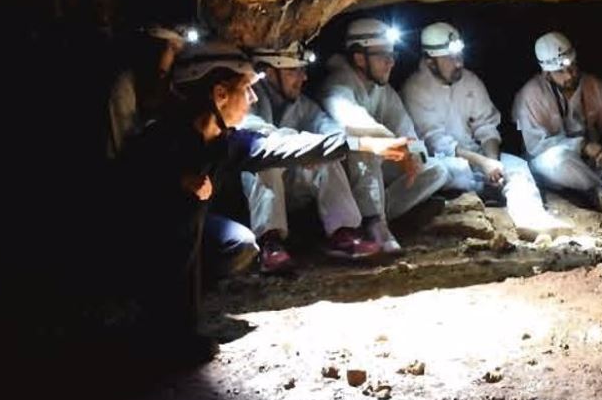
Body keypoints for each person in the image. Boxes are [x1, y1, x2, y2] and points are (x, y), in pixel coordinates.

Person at [116, 41, 408, 363]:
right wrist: (174, 180)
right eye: (246, 89)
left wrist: (362, 143)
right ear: (220, 95)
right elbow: (126, 184)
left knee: (238, 244)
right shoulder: (161, 140)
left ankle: (188, 304)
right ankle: (162, 329)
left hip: (192, 234)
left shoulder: (225, 142)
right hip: (132, 242)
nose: (253, 98)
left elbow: (283, 145)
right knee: (180, 211)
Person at [401, 21, 569, 239]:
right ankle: (477, 195)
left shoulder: (469, 81)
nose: (459, 63)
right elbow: (435, 141)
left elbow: (486, 125)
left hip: (476, 157)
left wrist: (492, 161)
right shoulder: (415, 88)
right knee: (450, 170)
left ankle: (531, 218)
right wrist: (483, 164)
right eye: (451, 58)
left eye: (460, 55)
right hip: (441, 160)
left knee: (517, 166)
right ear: (430, 62)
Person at [242, 43, 388, 274]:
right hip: (243, 193)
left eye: (302, 70)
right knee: (267, 164)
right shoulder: (246, 101)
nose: (303, 77)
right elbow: (262, 138)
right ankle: (268, 244)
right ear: (270, 74)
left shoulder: (302, 105)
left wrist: (320, 148)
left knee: (328, 156)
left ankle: (344, 232)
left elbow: (328, 128)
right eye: (293, 71)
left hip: (288, 186)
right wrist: (307, 148)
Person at [316, 18, 450, 254]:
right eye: (382, 55)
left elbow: (405, 128)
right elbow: (351, 119)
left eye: (392, 55)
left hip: (370, 177)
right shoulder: (337, 83)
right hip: (337, 173)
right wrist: (393, 143)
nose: (391, 62)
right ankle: (375, 225)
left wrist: (414, 154)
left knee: (436, 169)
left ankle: (374, 215)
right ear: (359, 58)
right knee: (366, 146)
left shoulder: (382, 90)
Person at [512, 31, 602, 211]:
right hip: (560, 166)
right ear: (547, 74)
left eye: (572, 67)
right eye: (560, 71)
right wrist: (582, 146)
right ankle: (601, 190)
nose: (569, 75)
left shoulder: (593, 86)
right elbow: (536, 146)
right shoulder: (531, 95)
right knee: (558, 160)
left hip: (598, 164)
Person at [105, 24, 192, 159]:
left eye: (176, 50)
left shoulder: (174, 82)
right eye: (170, 47)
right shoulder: (124, 84)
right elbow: (122, 143)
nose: (171, 55)